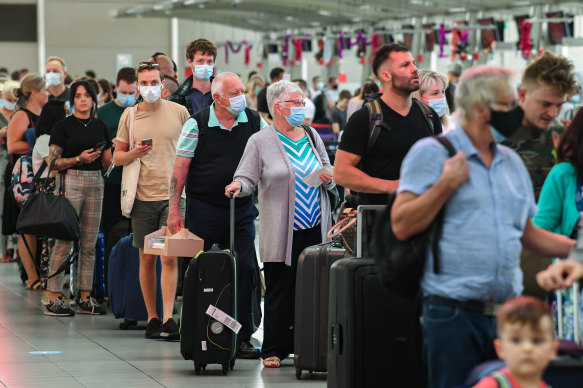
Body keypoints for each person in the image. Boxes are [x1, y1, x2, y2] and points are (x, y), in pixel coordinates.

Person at [390, 65, 575, 388]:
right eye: (507, 106)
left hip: (507, 319)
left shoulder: (510, 162)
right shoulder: (432, 153)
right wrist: (446, 184)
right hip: (453, 315)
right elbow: (402, 224)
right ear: (480, 108)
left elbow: (529, 234)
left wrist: (577, 250)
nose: (515, 114)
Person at [224, 80, 335, 368]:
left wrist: (328, 175)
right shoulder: (260, 140)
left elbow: (328, 166)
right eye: (295, 102)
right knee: (279, 289)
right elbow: (247, 177)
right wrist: (238, 185)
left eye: (301, 101)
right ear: (278, 107)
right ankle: (273, 348)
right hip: (281, 229)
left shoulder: (310, 134)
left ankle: (308, 345)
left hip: (316, 226)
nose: (301, 107)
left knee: (314, 289)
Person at [168, 72, 267, 359]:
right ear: (217, 98)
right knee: (204, 272)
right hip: (204, 210)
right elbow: (180, 170)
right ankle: (202, 330)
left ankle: (244, 335)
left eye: (241, 91)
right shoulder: (195, 124)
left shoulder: (254, 120)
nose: (241, 97)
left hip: (243, 210)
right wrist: (174, 209)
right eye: (234, 92)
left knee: (246, 269)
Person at [114, 62, 190, 339]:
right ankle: (152, 317)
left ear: (163, 85)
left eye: (153, 82)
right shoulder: (130, 116)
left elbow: (191, 150)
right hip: (142, 198)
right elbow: (117, 157)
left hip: (172, 198)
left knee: (169, 258)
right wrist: (135, 152)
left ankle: (169, 316)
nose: (149, 88)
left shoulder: (180, 112)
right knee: (147, 258)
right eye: (144, 83)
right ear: (137, 86)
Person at [501, 51, 577, 300]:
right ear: (522, 95)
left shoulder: (561, 135)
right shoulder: (495, 136)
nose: (553, 113)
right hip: (503, 243)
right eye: (545, 104)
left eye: (559, 105)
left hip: (547, 245)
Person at [334, 43, 442, 206]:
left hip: (423, 215)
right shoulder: (364, 119)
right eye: (405, 65)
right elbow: (342, 173)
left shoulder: (428, 115)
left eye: (413, 63)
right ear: (386, 75)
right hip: (378, 220)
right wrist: (392, 186)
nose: (415, 69)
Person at [44, 80, 113, 316]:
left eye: (87, 95)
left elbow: (108, 162)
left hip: (96, 181)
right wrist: (77, 159)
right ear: (72, 100)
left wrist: (130, 151)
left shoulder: (100, 126)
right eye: (78, 96)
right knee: (63, 240)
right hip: (70, 180)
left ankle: (84, 295)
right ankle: (54, 295)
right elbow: (52, 163)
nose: (83, 99)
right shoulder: (63, 126)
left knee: (89, 243)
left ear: (94, 98)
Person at [7, 74, 49, 290]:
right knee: (26, 227)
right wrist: (38, 145)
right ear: (34, 92)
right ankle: (32, 275)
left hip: (40, 172)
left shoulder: (43, 114)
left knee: (37, 224)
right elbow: (12, 146)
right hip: (23, 175)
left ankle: (39, 273)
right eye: (45, 90)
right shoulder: (22, 116)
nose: (48, 94)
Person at [473, 296, 558, 388]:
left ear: (552, 350)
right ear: (500, 348)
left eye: (537, 341)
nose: (527, 348)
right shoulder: (491, 385)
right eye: (516, 340)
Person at [97, 67, 138, 245]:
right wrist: (108, 142)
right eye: (123, 92)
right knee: (110, 228)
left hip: (137, 179)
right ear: (115, 87)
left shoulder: (141, 110)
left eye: (131, 93)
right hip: (111, 179)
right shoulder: (103, 112)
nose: (127, 96)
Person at [32, 101, 66, 293]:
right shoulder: (46, 139)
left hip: (51, 191)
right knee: (51, 239)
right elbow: (53, 166)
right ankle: (48, 280)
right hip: (49, 190)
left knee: (53, 238)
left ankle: (53, 278)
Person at [168, 38, 217, 116]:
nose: (205, 65)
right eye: (200, 61)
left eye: (209, 61)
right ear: (190, 62)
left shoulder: (223, 94)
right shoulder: (176, 99)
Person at [0, 80, 19, 263]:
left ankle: (17, 249)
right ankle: (5, 249)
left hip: (16, 163)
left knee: (15, 204)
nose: (11, 102)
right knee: (2, 208)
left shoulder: (21, 115)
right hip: (2, 161)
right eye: (8, 98)